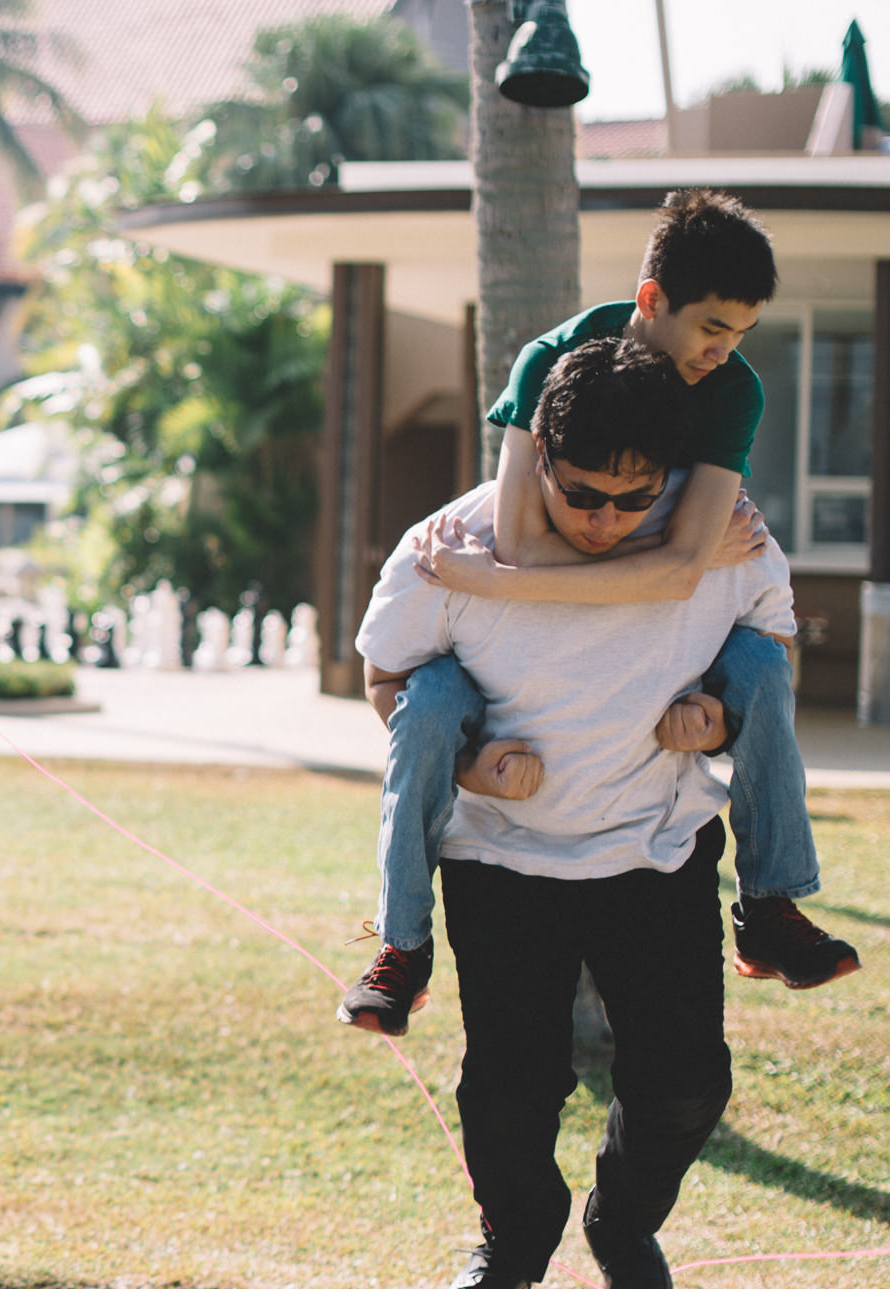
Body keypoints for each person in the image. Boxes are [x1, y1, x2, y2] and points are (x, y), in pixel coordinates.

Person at [352, 336, 795, 1289]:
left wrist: (718, 719)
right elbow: (387, 681)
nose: (603, 521)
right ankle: (508, 1247)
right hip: (504, 859)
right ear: (536, 452)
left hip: (654, 846)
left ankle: (623, 1219)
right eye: (581, 493)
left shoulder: (717, 539)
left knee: (687, 1081)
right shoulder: (449, 547)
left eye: (631, 499)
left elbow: (766, 660)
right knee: (507, 1089)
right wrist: (468, 768)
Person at [336, 189, 856, 1039]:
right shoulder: (553, 360)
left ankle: (767, 908)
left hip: (656, 684)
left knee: (761, 667)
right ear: (652, 303)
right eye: (712, 330)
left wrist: (504, 582)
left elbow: (679, 572)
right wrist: (643, 564)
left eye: (740, 336)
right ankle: (402, 946)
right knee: (426, 705)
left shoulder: (730, 392)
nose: (725, 354)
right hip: (496, 701)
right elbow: (520, 537)